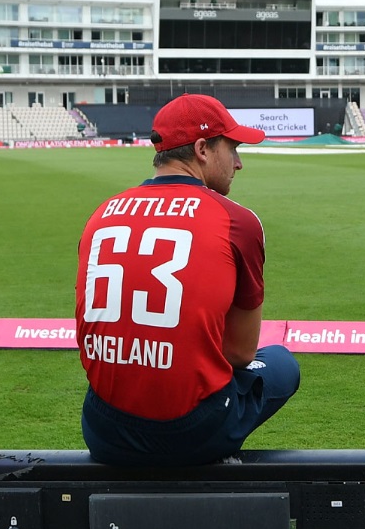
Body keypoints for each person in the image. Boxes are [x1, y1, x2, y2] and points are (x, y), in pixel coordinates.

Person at [75, 93, 300, 466]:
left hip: (105, 430)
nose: (239, 163)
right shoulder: (238, 221)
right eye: (233, 147)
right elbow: (242, 353)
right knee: (281, 362)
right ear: (202, 149)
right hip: (192, 433)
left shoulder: (101, 214)